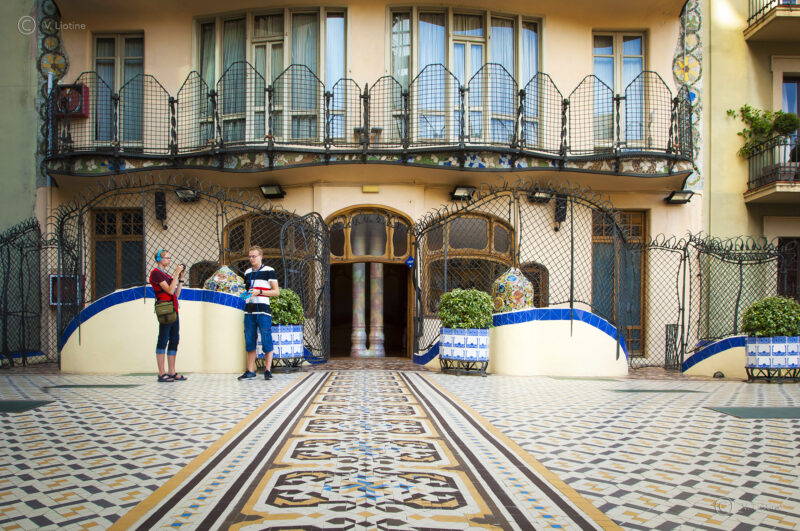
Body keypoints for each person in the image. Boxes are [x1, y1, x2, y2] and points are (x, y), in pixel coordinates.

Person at [238, 246, 279, 381]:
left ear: (260, 256)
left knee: (266, 338)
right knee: (249, 339)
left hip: (263, 311)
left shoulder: (269, 270)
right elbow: (247, 290)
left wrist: (259, 292)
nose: (251, 259)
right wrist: (243, 294)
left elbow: (276, 292)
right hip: (249, 310)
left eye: (254, 256)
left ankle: (268, 370)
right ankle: (251, 371)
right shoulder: (247, 272)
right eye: (250, 256)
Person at [149, 249, 186, 382]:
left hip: (173, 309)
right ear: (159, 259)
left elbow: (176, 294)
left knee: (174, 339)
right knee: (163, 339)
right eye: (166, 258)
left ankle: (171, 371)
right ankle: (161, 373)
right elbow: (170, 291)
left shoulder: (167, 275)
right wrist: (176, 273)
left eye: (170, 258)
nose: (169, 260)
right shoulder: (156, 273)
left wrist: (180, 277)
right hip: (165, 310)